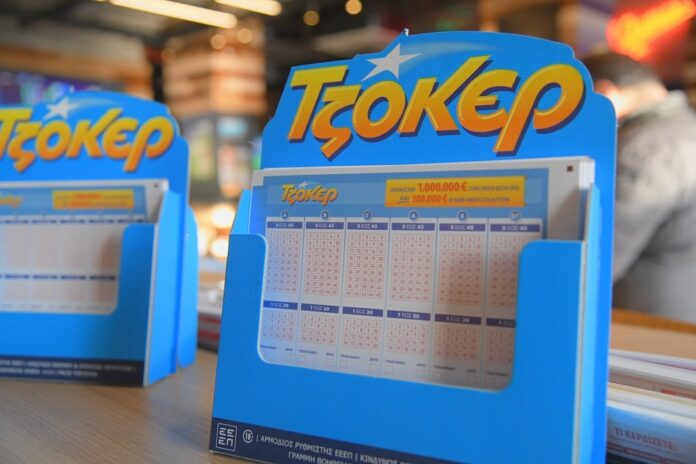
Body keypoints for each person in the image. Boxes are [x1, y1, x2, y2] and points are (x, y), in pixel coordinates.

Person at [582, 51, 696, 323]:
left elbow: (604, 253)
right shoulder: (686, 126)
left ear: (605, 94)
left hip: (648, 320)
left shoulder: (644, 147)